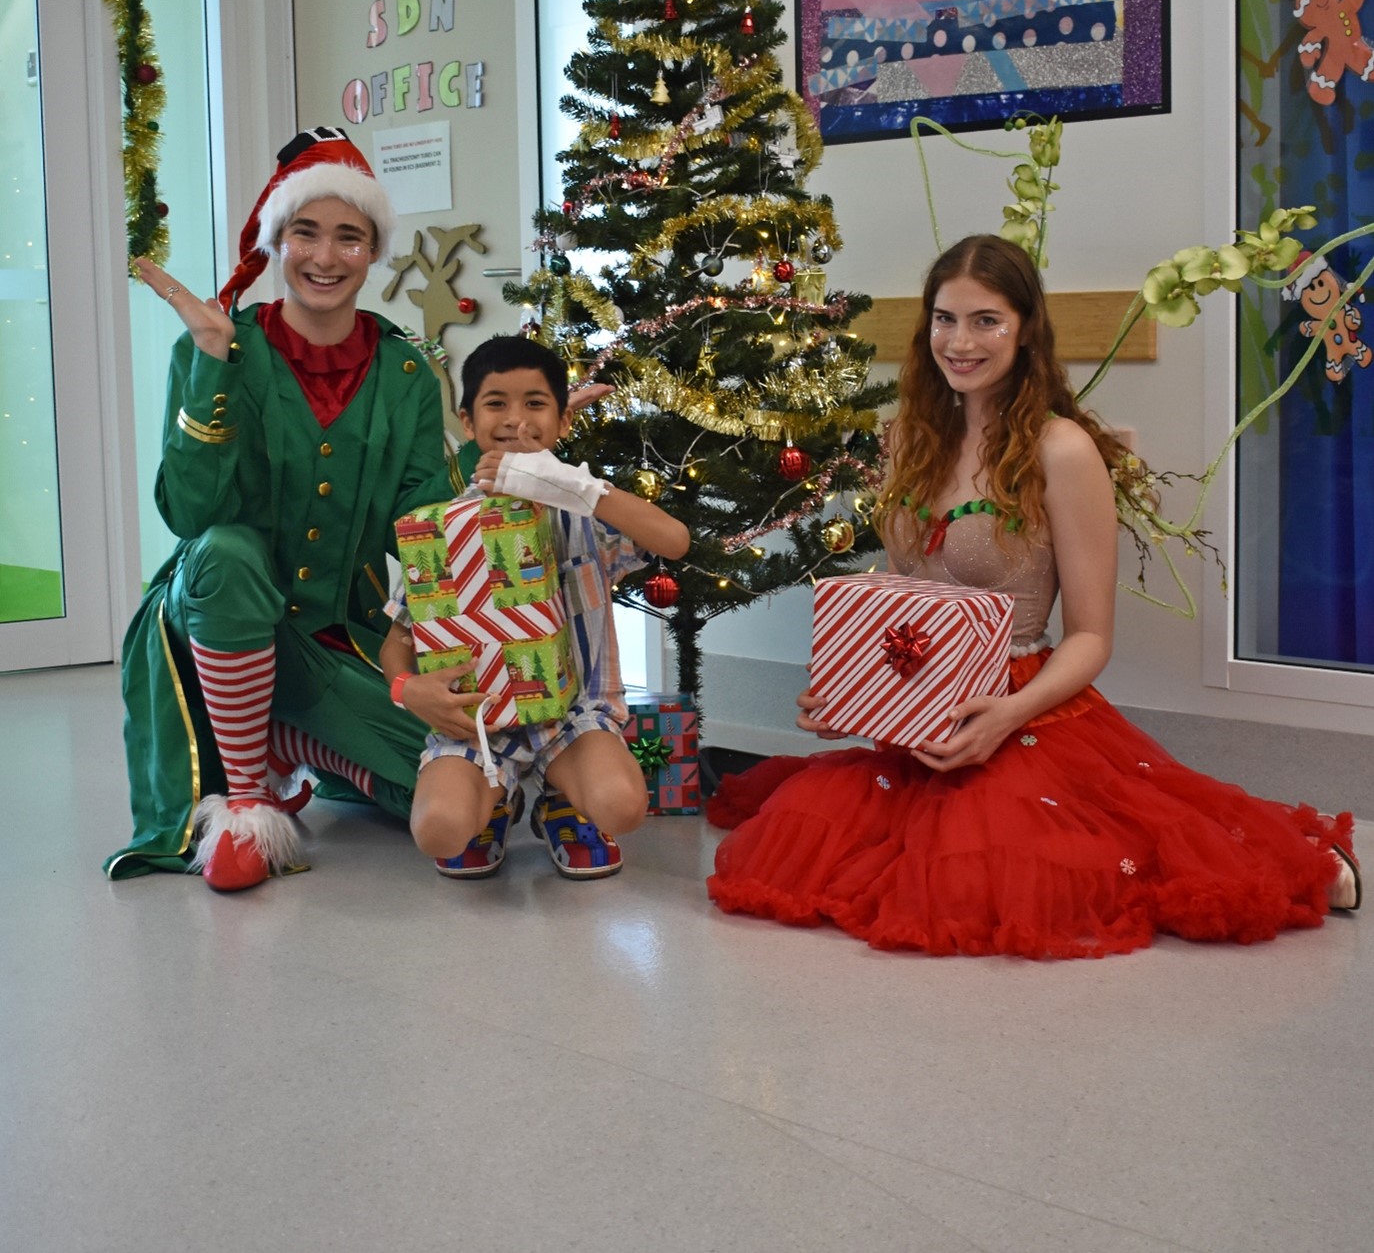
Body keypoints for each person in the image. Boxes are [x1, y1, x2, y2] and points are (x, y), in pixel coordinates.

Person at [707, 234, 1361, 958]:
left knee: (1006, 875)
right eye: (944, 319)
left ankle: (1296, 851)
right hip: (922, 712)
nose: (960, 341)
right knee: (805, 839)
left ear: (1025, 331)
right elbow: (904, 602)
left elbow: (1091, 637)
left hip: (1024, 702)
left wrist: (1003, 717)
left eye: (986, 320)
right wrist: (852, 696)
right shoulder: (906, 441)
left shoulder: (1062, 450)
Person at [105, 127, 608, 892]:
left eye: (350, 237)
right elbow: (191, 512)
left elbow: (421, 519)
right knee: (226, 552)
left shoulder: (406, 369)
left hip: (332, 634)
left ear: (372, 252)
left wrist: (510, 437)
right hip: (213, 612)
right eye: (305, 233)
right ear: (276, 241)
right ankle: (246, 799)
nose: (325, 256)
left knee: (456, 787)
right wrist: (210, 365)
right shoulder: (215, 348)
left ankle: (291, 736)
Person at [381, 335, 690, 880]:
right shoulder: (439, 528)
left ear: (562, 420)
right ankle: (496, 801)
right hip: (477, 721)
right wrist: (407, 690)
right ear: (467, 421)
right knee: (438, 831)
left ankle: (561, 799)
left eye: (536, 403)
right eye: (496, 403)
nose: (515, 419)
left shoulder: (584, 512)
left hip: (572, 716)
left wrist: (569, 483)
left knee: (622, 805)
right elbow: (399, 640)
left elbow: (673, 540)